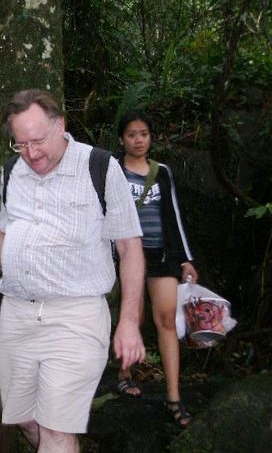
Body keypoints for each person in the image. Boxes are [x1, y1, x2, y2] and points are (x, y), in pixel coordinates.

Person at [0, 89, 146, 452]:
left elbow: (130, 248)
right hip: (18, 314)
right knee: (26, 420)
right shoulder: (12, 171)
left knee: (56, 430)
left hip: (77, 316)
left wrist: (128, 321)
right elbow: (3, 228)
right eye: (21, 144)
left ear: (60, 125)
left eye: (39, 140)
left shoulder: (99, 167)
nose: (31, 153)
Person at [115, 111, 198, 427]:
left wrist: (186, 259)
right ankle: (124, 373)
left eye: (144, 134)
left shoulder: (162, 172)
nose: (138, 140)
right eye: (132, 134)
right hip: (129, 256)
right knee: (133, 316)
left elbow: (174, 215)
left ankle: (174, 397)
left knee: (166, 320)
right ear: (122, 139)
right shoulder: (113, 170)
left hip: (162, 255)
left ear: (151, 138)